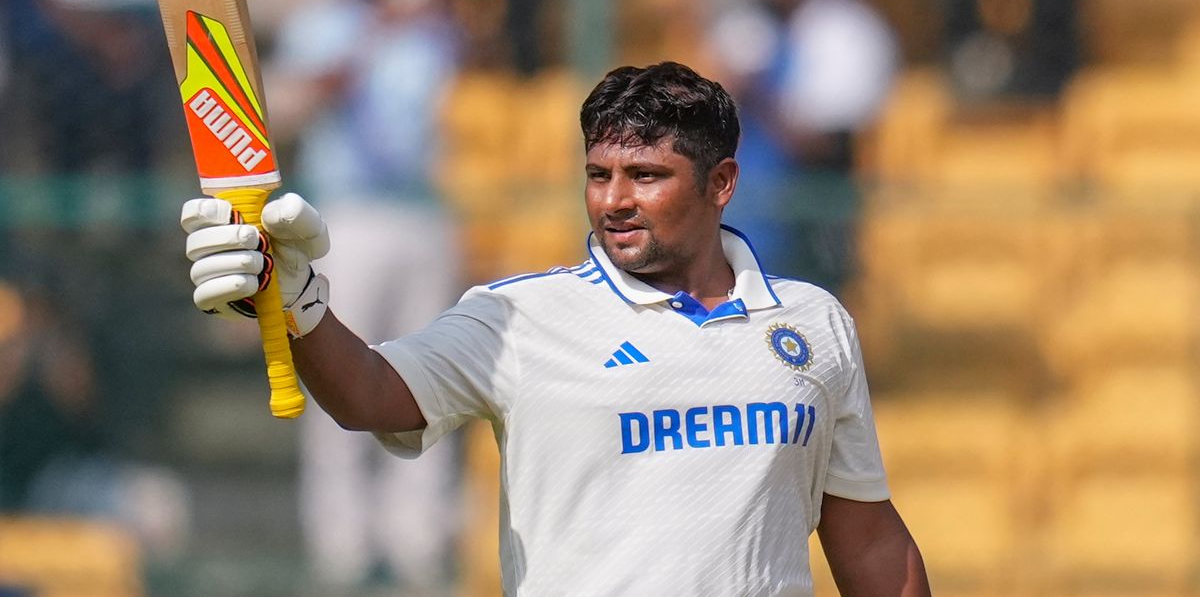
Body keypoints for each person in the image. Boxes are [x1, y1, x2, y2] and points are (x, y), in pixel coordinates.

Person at [181, 61, 930, 596]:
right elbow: (371, 394)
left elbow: (868, 540)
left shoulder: (813, 322)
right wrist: (297, 300)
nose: (614, 200)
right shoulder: (518, 316)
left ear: (722, 183)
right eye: (599, 174)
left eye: (646, 175)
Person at [262, 0, 464, 591]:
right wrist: (371, 34)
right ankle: (342, 549)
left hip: (425, 213)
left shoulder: (437, 31)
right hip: (345, 218)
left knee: (431, 377)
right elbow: (287, 109)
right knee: (334, 374)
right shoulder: (322, 25)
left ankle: (417, 544)